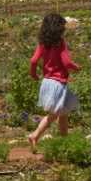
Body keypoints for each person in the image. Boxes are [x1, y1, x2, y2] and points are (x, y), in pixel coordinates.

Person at [27, 12, 80, 151]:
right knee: (54, 114)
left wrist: (33, 74)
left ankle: (64, 141)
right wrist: (76, 67)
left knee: (63, 112)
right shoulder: (60, 43)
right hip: (58, 83)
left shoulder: (43, 43)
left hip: (47, 82)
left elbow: (33, 60)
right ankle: (35, 135)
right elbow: (66, 62)